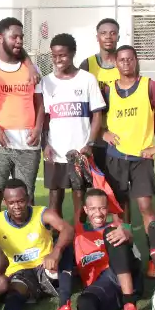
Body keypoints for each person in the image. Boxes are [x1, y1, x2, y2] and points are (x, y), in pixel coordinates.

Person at [101, 45, 155, 275]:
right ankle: (127, 255)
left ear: (136, 61)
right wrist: (103, 133)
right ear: (116, 63)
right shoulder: (109, 90)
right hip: (115, 157)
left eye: (129, 59)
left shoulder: (149, 86)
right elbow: (97, 117)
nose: (125, 63)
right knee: (120, 208)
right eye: (121, 60)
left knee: (145, 207)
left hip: (141, 158)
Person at [0, 17, 45, 231]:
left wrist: (38, 127)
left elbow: (40, 104)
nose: (19, 41)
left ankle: (25, 245)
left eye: (21, 37)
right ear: (0, 37)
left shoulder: (32, 69)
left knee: (26, 197)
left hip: (28, 143)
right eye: (14, 36)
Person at [64, 188, 142, 310]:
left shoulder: (116, 226)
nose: (98, 213)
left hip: (126, 275)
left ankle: (130, 305)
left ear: (107, 209)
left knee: (112, 233)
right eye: (92, 208)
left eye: (102, 208)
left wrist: (126, 233)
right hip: (105, 286)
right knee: (85, 300)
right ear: (85, 210)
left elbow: (128, 236)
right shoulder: (77, 232)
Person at [0, 179, 76, 310]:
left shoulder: (43, 213)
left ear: (28, 199)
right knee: (13, 295)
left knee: (66, 247)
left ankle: (64, 308)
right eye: (11, 202)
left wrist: (56, 252)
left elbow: (68, 229)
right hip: (20, 273)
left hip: (47, 268)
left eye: (21, 201)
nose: (16, 206)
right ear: (5, 202)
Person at [41, 33, 105, 219]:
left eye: (62, 55)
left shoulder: (87, 79)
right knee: (54, 197)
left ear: (73, 54)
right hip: (55, 152)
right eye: (54, 55)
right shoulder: (46, 82)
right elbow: (44, 118)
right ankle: (56, 236)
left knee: (79, 195)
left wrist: (90, 143)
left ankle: (80, 236)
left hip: (80, 152)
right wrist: (45, 144)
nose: (58, 60)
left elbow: (97, 115)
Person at [79, 18, 121, 177]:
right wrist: (101, 132)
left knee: (119, 190)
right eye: (103, 33)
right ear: (97, 37)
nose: (108, 37)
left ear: (118, 36)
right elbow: (82, 104)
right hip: (95, 136)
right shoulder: (87, 65)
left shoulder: (125, 62)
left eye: (113, 33)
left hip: (119, 136)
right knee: (95, 187)